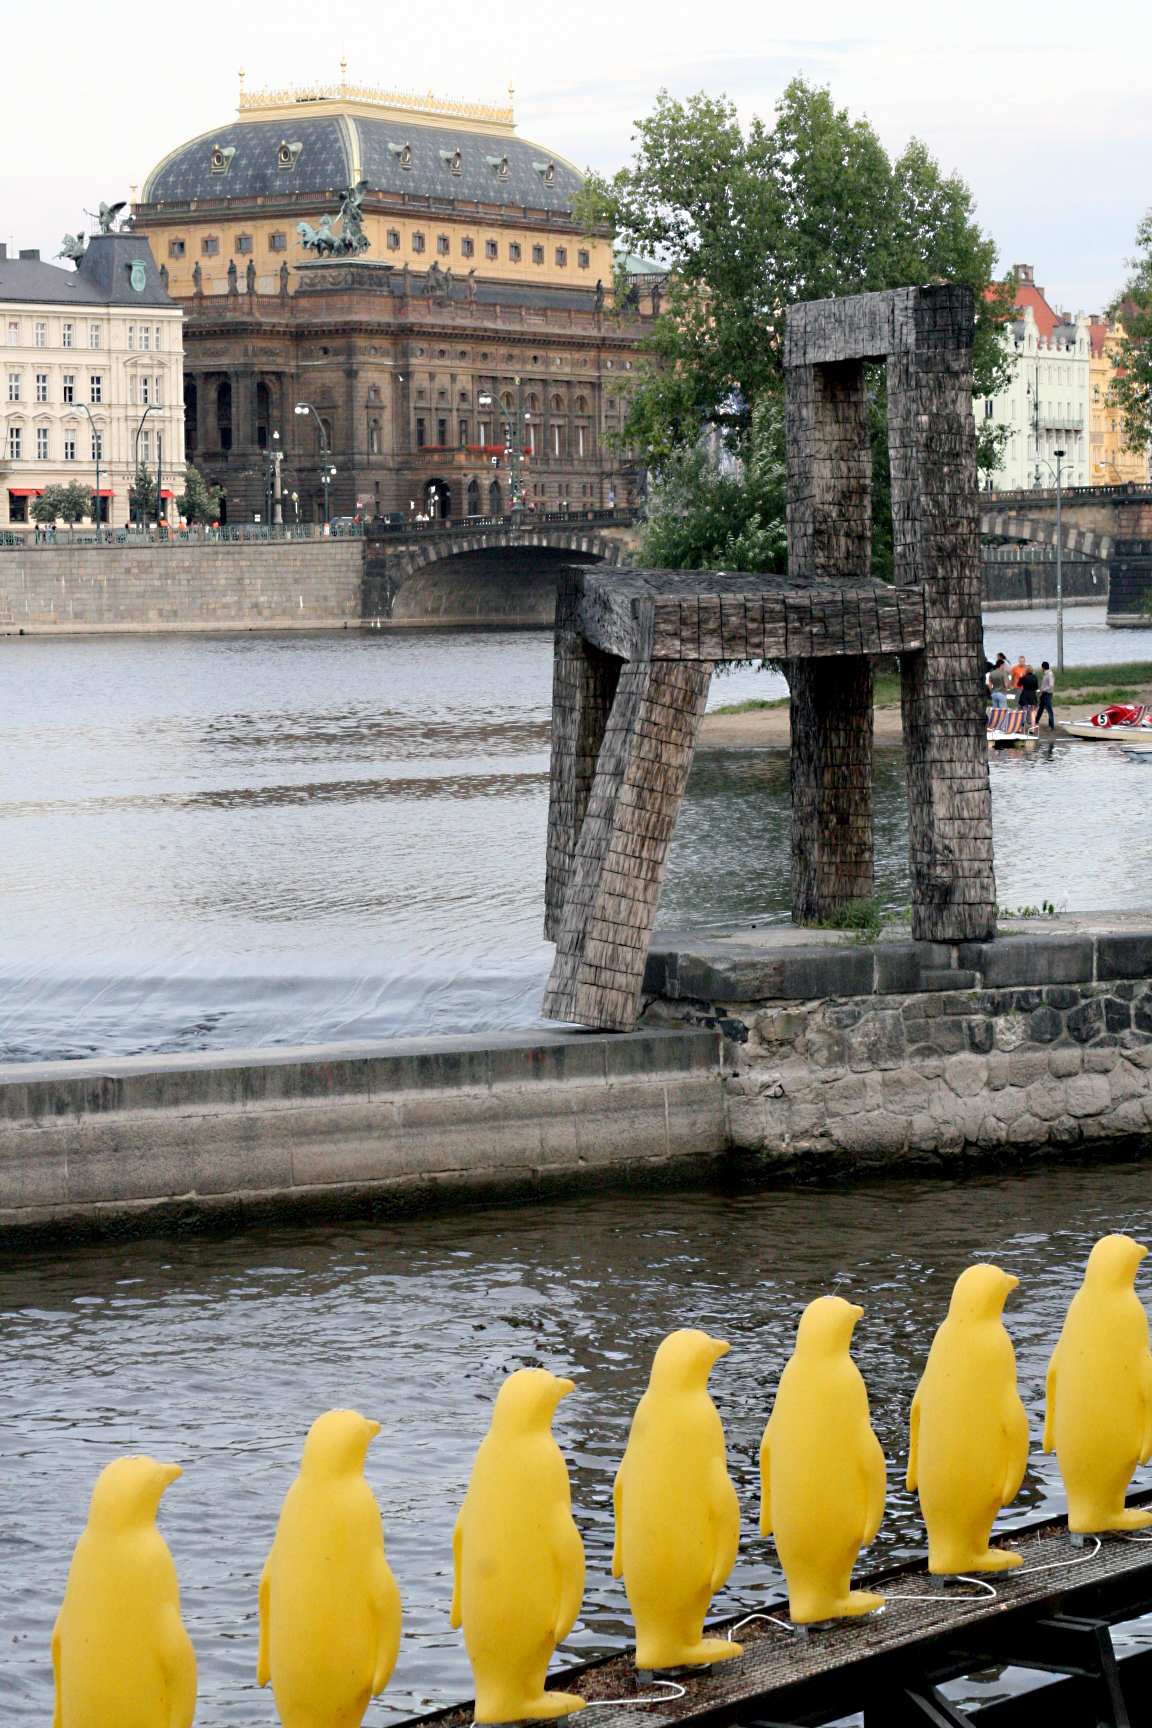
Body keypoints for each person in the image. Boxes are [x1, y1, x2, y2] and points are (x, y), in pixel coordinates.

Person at [1019, 664, 1040, 729]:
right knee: (1032, 712)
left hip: (1024, 695)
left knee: (1022, 711)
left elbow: (1019, 684)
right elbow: (1036, 687)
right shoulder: (1035, 677)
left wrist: (1021, 677)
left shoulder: (1024, 677)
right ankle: (1032, 728)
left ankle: (1019, 728)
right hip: (1032, 696)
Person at [1038, 661, 1055, 730]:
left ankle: (1051, 725)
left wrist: (1043, 690)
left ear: (1043, 667)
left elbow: (1051, 685)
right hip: (1044, 693)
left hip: (1047, 693)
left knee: (1049, 709)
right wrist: (1041, 692)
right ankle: (1036, 721)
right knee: (1041, 708)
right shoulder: (1045, 674)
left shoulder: (1049, 674)